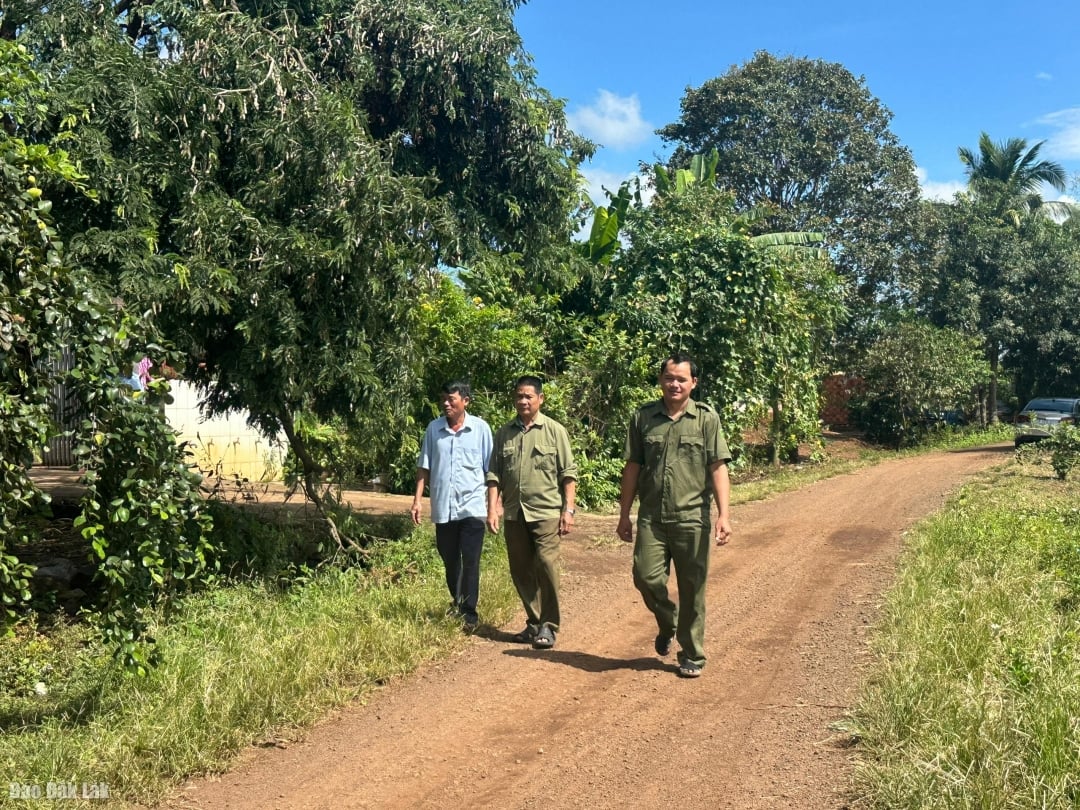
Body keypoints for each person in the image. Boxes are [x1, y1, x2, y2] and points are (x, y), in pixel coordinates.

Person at [616, 353, 733, 678]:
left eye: (682, 379)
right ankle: (668, 621)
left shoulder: (706, 419)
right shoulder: (643, 418)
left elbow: (718, 467)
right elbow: (633, 468)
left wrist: (724, 515)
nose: (675, 384)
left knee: (693, 588)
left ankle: (692, 653)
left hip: (692, 519)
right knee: (645, 577)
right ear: (660, 380)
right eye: (669, 378)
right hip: (652, 518)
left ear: (693, 383)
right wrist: (624, 514)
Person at [486, 375, 578, 649]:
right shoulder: (504, 433)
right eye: (519, 396)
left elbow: (568, 474)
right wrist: (492, 508)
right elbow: (494, 475)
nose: (523, 401)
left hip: (546, 512)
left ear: (540, 399)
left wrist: (568, 510)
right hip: (515, 513)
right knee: (521, 570)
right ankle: (534, 622)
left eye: (529, 396)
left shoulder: (554, 431)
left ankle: (549, 626)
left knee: (547, 566)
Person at [411, 380, 494, 631]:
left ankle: (469, 612)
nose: (446, 404)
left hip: (473, 507)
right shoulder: (433, 429)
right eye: (444, 399)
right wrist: (417, 500)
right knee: (449, 559)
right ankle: (457, 601)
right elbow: (424, 467)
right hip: (443, 506)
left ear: (465, 401)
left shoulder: (480, 429)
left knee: (470, 559)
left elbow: (491, 472)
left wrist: (494, 507)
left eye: (452, 400)